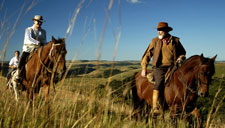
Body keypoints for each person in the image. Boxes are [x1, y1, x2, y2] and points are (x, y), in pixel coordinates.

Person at [141, 22, 186, 115]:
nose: (159, 32)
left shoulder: (175, 41)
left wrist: (181, 57)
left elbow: (183, 52)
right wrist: (144, 68)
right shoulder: (155, 41)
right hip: (159, 68)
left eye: (160, 30)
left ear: (166, 31)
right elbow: (147, 55)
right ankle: (155, 107)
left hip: (173, 67)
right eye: (158, 30)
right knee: (159, 83)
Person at [15, 15, 47, 81]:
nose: (39, 23)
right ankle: (18, 74)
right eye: (37, 21)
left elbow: (44, 40)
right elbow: (29, 38)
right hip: (29, 48)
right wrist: (38, 42)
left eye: (40, 22)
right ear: (34, 21)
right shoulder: (29, 29)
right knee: (22, 59)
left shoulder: (43, 31)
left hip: (39, 49)